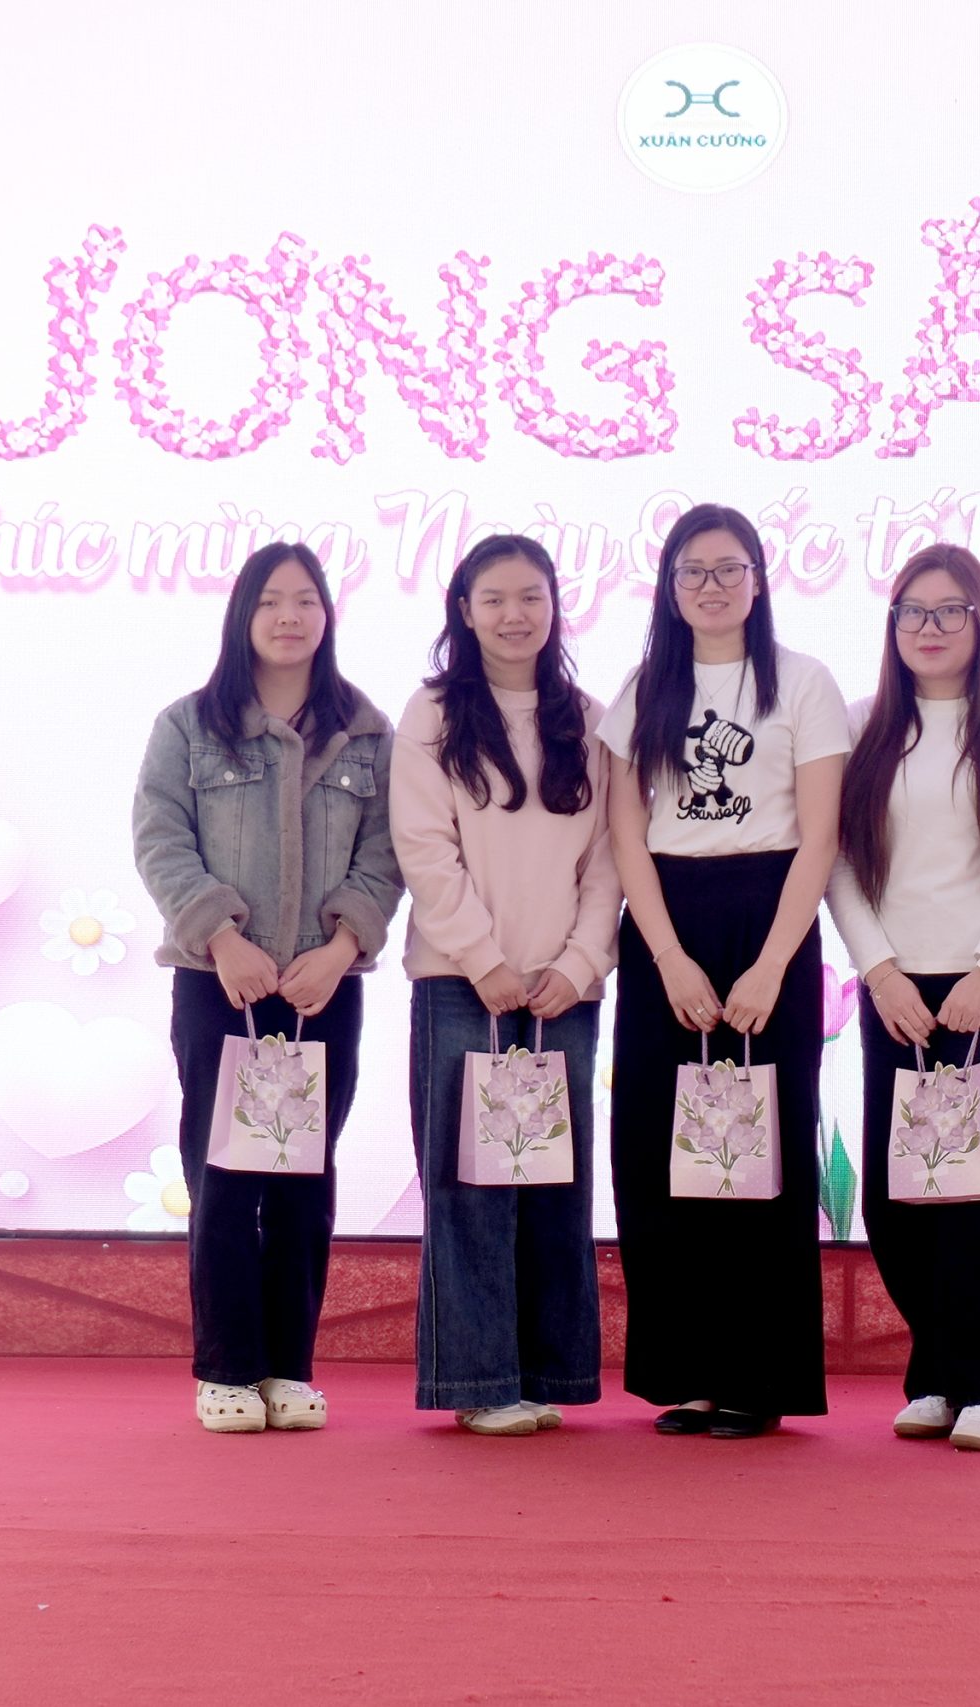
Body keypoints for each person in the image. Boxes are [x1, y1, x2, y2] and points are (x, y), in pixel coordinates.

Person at [133, 542, 404, 1435]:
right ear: (243, 615)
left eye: (307, 600)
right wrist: (221, 937)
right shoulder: (189, 726)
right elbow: (161, 840)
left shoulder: (367, 732)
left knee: (302, 1182)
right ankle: (226, 1369)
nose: (290, 616)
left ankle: (288, 1366)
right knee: (222, 1178)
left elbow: (385, 855)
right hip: (221, 984)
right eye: (271, 601)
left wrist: (341, 947)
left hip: (323, 987)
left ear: (328, 615)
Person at [599, 501, 851, 1439]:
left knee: (761, 1155)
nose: (711, 586)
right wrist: (666, 957)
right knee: (659, 1153)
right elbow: (626, 832)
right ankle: (687, 1373)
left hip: (769, 917)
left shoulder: (803, 681)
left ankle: (756, 1377)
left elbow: (820, 836)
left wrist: (771, 966)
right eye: (692, 571)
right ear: (670, 587)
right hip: (666, 923)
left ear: (758, 579)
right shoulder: (645, 687)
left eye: (728, 568)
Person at [828, 544, 980, 1454]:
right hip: (897, 986)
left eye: (948, 610)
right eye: (912, 612)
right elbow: (836, 862)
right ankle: (936, 1370)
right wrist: (878, 969)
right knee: (901, 1198)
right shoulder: (861, 725)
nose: (928, 628)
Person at [390, 534, 620, 1436]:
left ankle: (552, 1371)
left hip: (562, 992)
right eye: (494, 599)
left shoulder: (589, 720)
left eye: (532, 596)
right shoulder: (433, 715)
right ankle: (479, 1381)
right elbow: (424, 848)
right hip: (463, 984)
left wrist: (578, 964)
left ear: (556, 605)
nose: (515, 614)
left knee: (556, 1187)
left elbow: (608, 861)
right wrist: (483, 960)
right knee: (471, 1189)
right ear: (464, 609)